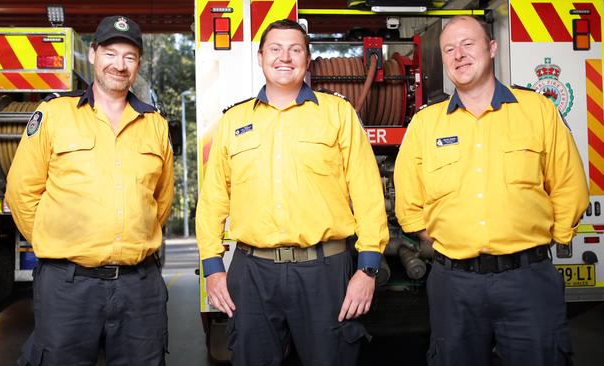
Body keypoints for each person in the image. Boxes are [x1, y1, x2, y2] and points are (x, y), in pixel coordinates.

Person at [394, 15, 589, 366]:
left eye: (468, 44)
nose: (459, 55)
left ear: (492, 48)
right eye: (449, 49)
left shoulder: (538, 111)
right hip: (454, 285)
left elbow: (569, 184)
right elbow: (409, 203)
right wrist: (449, 246)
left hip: (527, 280)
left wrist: (548, 238)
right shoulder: (425, 124)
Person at [196, 19, 389, 365]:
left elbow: (367, 192)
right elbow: (212, 200)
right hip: (253, 273)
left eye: (295, 49)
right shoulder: (232, 122)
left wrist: (368, 268)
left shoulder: (338, 114)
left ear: (308, 58)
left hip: (326, 272)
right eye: (275, 48)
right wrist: (212, 267)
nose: (285, 57)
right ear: (260, 57)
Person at [6, 15, 174, 365]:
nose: (119, 64)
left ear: (138, 63)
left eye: (129, 57)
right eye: (111, 53)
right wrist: (53, 242)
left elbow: (161, 200)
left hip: (138, 286)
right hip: (68, 286)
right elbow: (22, 192)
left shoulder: (155, 125)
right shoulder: (54, 114)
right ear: (94, 55)